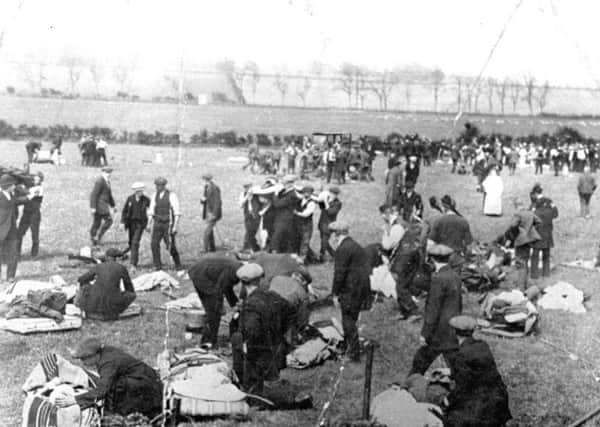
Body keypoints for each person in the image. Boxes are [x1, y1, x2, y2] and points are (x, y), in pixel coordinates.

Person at [56, 337, 162, 418]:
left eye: (85, 359)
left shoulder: (107, 363)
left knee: (115, 387)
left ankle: (128, 411)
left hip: (146, 385)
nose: (83, 363)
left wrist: (75, 400)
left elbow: (103, 390)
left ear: (95, 355)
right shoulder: (105, 352)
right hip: (145, 377)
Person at [231, 263, 293, 394]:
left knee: (237, 339)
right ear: (260, 279)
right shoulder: (272, 296)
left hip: (258, 353)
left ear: (242, 283)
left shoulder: (251, 304)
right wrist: (280, 331)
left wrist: (246, 345)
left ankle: (250, 392)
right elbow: (290, 310)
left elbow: (252, 331)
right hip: (276, 347)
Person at [443, 316, 512, 427]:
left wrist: (447, 400)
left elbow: (463, 386)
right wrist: (451, 372)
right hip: (499, 400)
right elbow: (477, 371)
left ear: (453, 332)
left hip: (482, 408)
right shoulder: (482, 345)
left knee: (449, 419)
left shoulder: (460, 354)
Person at [409, 242, 462, 376]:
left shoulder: (437, 279)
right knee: (454, 364)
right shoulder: (455, 276)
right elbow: (459, 304)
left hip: (438, 331)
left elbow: (433, 310)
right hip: (453, 328)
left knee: (419, 364)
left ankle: (407, 389)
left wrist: (425, 333)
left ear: (431, 259)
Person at [329, 220, 371, 362]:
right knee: (351, 318)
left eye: (332, 234)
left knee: (348, 321)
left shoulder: (343, 249)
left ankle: (353, 353)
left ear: (336, 234)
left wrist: (334, 293)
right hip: (360, 288)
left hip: (350, 290)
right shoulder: (355, 245)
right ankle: (349, 347)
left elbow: (339, 274)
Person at [188, 256, 243, 348]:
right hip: (201, 274)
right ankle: (209, 342)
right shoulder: (233, 272)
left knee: (212, 309)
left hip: (201, 270)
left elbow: (227, 288)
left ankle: (206, 335)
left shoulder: (238, 269)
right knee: (214, 310)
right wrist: (219, 305)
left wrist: (235, 304)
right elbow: (220, 288)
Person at [76, 248, 136, 320]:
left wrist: (91, 280)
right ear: (116, 259)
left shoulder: (99, 266)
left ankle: (85, 306)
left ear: (106, 257)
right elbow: (129, 288)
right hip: (112, 307)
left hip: (93, 307)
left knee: (85, 287)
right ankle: (115, 310)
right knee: (132, 295)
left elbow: (81, 279)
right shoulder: (121, 268)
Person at [501, 198, 540, 289]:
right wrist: (531, 231)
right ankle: (524, 284)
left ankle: (521, 287)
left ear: (516, 206)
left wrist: (512, 236)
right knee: (525, 262)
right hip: (529, 240)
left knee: (520, 263)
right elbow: (538, 222)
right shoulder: (530, 213)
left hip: (521, 241)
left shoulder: (518, 214)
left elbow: (513, 226)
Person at [428, 195, 473, 271]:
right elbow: (469, 246)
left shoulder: (438, 221)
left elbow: (430, 243)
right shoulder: (463, 221)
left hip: (441, 259)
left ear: (444, 206)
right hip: (458, 260)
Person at [0, 175, 31, 284]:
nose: (14, 186)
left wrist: (29, 196)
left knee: (13, 253)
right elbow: (14, 202)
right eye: (12, 184)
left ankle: (10, 277)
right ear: (7, 186)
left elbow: (17, 201)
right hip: (1, 230)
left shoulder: (11, 194)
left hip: (12, 230)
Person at [148, 176, 182, 271]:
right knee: (154, 244)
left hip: (168, 223)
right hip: (157, 223)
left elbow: (176, 212)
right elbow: (151, 210)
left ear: (164, 186)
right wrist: (148, 223)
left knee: (170, 244)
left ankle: (178, 264)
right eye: (157, 185)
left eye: (160, 185)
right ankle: (157, 265)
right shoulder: (154, 195)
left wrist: (175, 226)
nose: (158, 187)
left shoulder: (172, 195)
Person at [120, 182, 150, 269]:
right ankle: (124, 253)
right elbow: (124, 211)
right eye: (137, 191)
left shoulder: (146, 200)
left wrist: (149, 224)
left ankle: (133, 264)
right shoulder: (130, 199)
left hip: (140, 224)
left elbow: (151, 212)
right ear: (134, 191)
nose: (139, 193)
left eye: (140, 191)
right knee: (131, 242)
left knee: (135, 242)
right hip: (130, 224)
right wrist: (122, 222)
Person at [17, 172, 44, 258]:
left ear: (41, 180)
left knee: (35, 235)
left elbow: (27, 192)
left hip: (34, 214)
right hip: (26, 213)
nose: (35, 180)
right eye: (34, 178)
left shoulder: (39, 188)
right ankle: (17, 253)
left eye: (37, 179)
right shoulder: (30, 186)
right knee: (19, 233)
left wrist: (19, 187)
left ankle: (34, 254)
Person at [531, 196, 558, 279]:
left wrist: (533, 207)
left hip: (537, 236)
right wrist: (553, 205)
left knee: (535, 257)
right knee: (546, 257)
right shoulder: (549, 212)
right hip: (547, 237)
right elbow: (556, 214)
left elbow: (530, 216)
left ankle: (534, 274)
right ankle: (546, 273)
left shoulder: (535, 212)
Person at [271, 175, 299, 253]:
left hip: (285, 219)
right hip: (281, 218)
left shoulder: (291, 195)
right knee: (281, 238)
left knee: (277, 237)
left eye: (285, 184)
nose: (284, 185)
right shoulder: (286, 192)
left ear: (290, 184)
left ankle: (275, 254)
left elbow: (277, 204)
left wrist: (275, 194)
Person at [89, 167, 116, 246]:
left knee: (97, 222)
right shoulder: (100, 181)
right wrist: (93, 207)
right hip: (100, 206)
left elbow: (109, 195)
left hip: (102, 205)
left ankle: (94, 238)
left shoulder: (107, 182)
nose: (109, 174)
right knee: (109, 221)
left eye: (110, 173)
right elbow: (94, 195)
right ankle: (97, 237)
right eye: (107, 173)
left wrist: (113, 206)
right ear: (103, 172)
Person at [316, 186, 342, 262]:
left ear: (337, 195)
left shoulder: (338, 203)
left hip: (329, 225)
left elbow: (330, 212)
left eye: (334, 194)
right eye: (331, 193)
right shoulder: (327, 199)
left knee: (324, 241)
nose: (332, 195)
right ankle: (334, 255)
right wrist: (321, 201)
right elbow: (321, 208)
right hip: (322, 223)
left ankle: (322, 256)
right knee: (324, 241)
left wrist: (326, 203)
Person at [294, 185, 317, 263]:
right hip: (299, 224)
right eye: (304, 193)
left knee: (305, 242)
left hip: (307, 224)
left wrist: (297, 213)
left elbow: (306, 214)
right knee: (300, 241)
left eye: (308, 193)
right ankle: (313, 258)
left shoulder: (312, 203)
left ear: (311, 194)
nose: (306, 194)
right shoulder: (301, 200)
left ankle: (302, 260)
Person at [200, 173, 222, 252]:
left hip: (212, 213)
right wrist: (203, 200)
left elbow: (217, 202)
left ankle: (205, 250)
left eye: (206, 180)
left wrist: (214, 214)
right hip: (207, 212)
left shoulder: (214, 188)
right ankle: (212, 248)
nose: (205, 182)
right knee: (210, 232)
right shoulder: (206, 187)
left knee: (206, 232)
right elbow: (206, 198)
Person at [240, 183, 261, 252]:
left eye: (248, 187)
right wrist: (247, 197)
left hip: (256, 215)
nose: (247, 189)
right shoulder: (243, 194)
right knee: (249, 231)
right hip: (248, 215)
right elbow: (241, 205)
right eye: (245, 187)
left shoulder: (257, 194)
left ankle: (249, 247)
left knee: (252, 231)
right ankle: (253, 247)